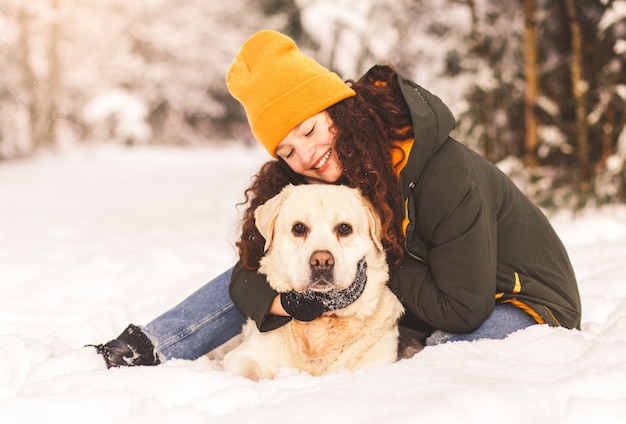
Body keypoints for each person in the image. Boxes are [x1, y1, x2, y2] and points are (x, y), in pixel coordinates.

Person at [92, 30, 581, 368]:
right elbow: (251, 271)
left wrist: (363, 271)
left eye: (308, 128)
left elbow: (463, 309)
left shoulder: (444, 176)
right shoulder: (335, 177)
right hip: (430, 290)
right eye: (287, 149)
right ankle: (149, 346)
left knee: (436, 361)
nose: (307, 154)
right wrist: (287, 299)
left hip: (517, 304)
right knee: (286, 259)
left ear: (337, 109)